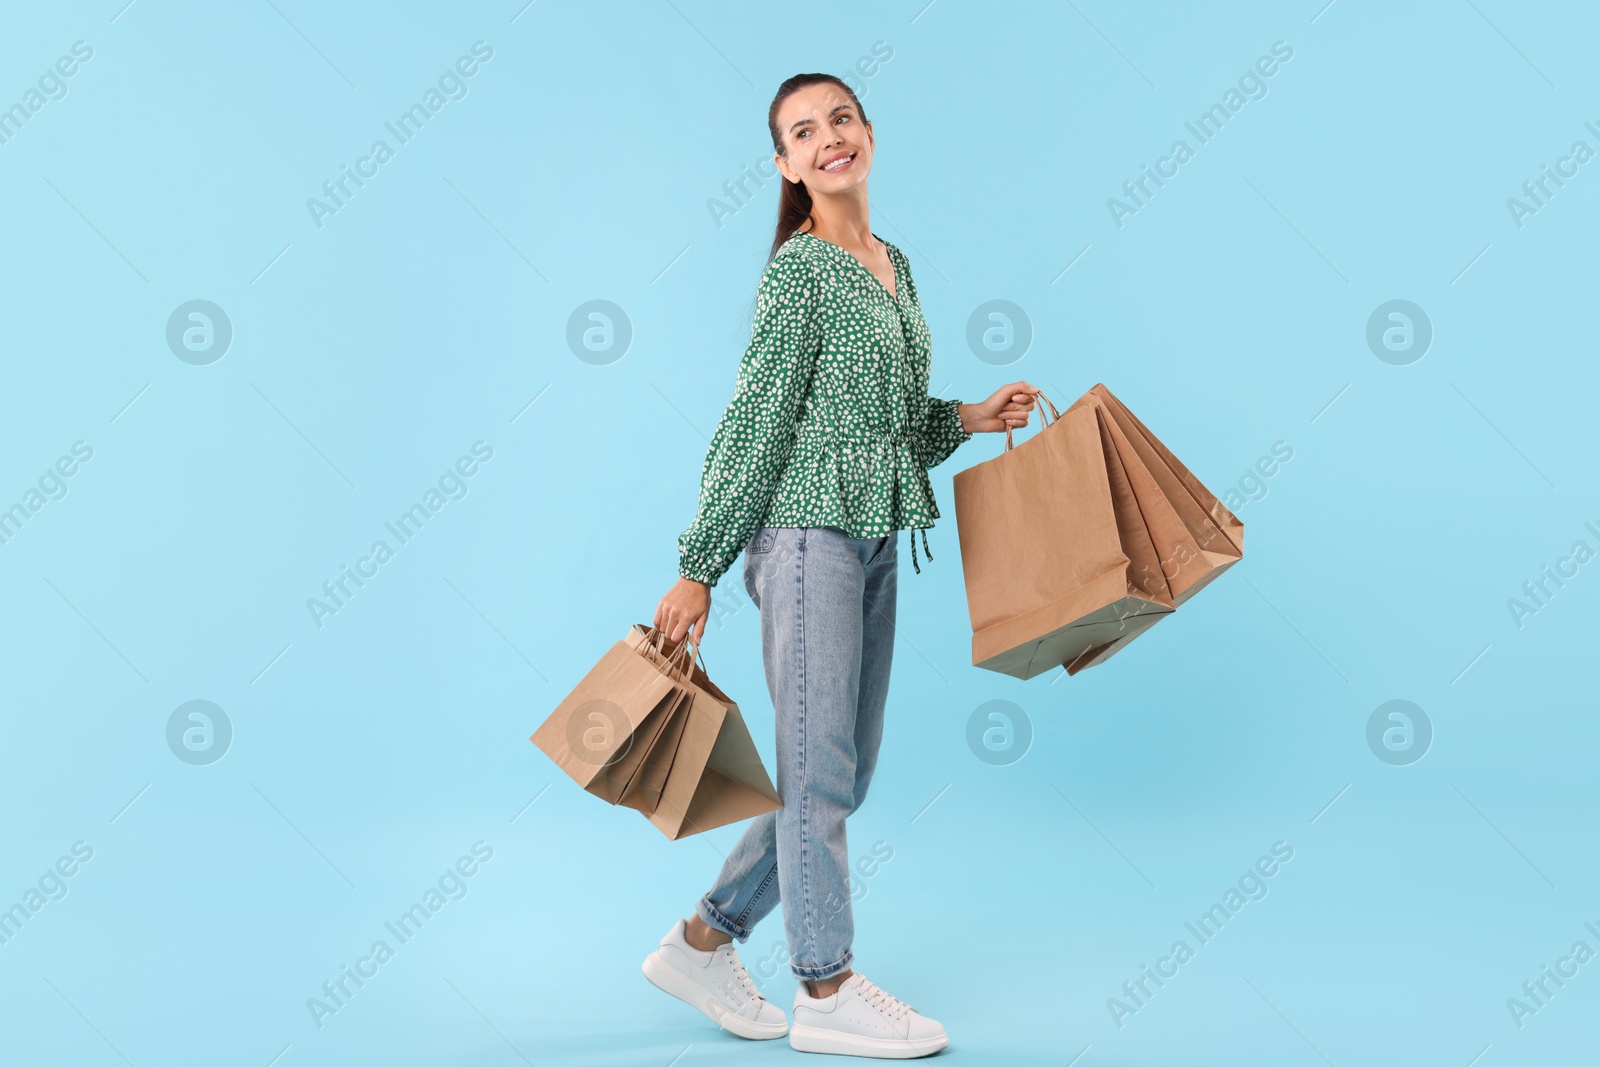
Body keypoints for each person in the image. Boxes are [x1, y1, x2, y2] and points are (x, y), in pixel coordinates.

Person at [642, 72, 1039, 1059]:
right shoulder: (801, 272)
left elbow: (892, 423)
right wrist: (698, 563)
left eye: (840, 118)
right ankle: (823, 984)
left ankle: (702, 939)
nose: (828, 138)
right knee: (819, 773)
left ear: (868, 132)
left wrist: (970, 417)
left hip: (871, 533)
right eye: (802, 131)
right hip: (806, 535)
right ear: (784, 166)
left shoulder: (890, 263)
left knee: (833, 774)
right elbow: (756, 420)